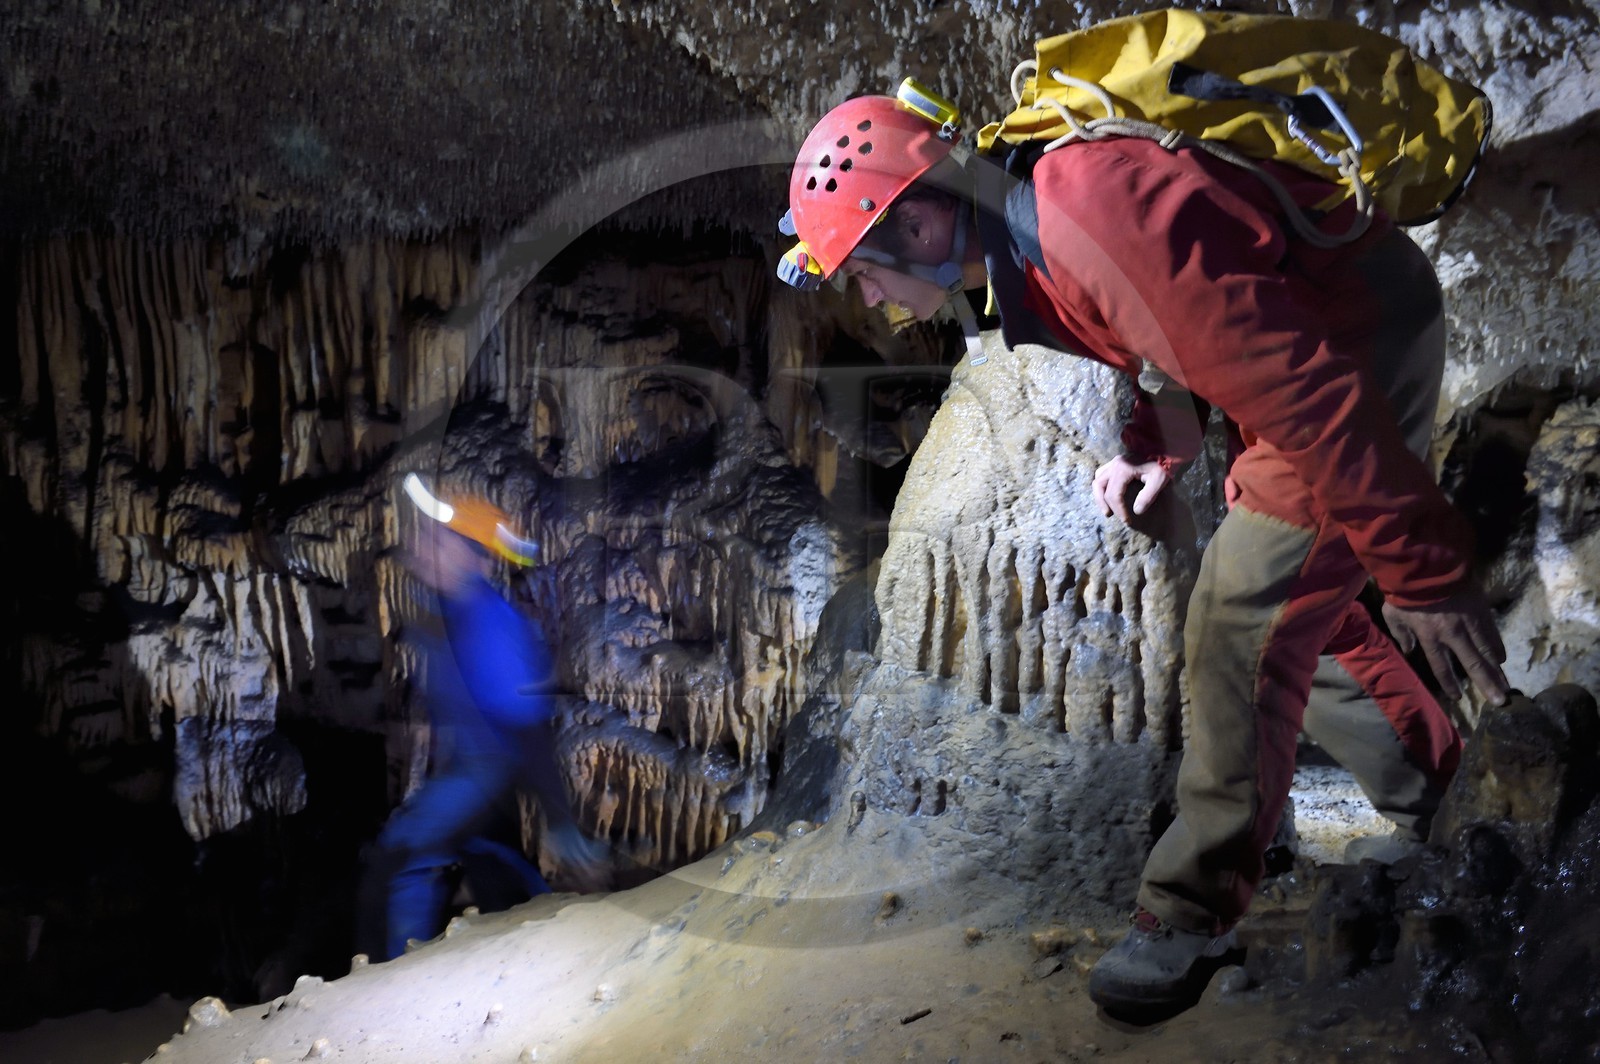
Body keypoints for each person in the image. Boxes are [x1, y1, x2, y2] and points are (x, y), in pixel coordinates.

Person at [776, 89, 1511, 1014]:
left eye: (861, 274)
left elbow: (1307, 392)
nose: (870, 300)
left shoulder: (1083, 209)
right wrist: (1156, 444)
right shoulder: (1032, 228)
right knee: (1284, 602)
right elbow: (1161, 334)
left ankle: (1190, 911)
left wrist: (1423, 569)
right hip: (1310, 325)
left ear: (917, 223)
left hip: (1355, 337)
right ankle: (1440, 792)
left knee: (1235, 618)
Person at [360, 482, 607, 961]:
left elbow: (526, 728)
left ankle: (390, 980)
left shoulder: (485, 623)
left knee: (400, 861)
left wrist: (561, 822)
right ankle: (551, 952)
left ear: (473, 558)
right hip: (476, 770)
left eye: (438, 540)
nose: (423, 545)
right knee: (494, 869)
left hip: (491, 769)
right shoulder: (447, 613)